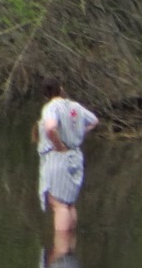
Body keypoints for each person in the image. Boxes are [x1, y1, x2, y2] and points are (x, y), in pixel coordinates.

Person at [37, 79, 99, 231]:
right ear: (61, 89)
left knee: (58, 203)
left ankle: (62, 246)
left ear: (46, 95)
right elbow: (94, 121)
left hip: (59, 158)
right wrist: (78, 133)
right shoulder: (75, 106)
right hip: (75, 156)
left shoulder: (51, 108)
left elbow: (50, 128)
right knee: (69, 203)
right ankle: (70, 245)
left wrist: (59, 146)